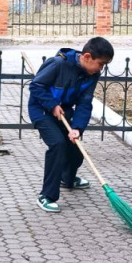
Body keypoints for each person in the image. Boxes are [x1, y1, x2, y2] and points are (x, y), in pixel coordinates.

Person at [27, 37, 114, 213]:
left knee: (76, 146)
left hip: (64, 111)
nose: (101, 69)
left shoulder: (92, 75)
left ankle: (68, 178)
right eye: (101, 63)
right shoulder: (58, 64)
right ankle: (47, 195)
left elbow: (84, 103)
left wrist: (77, 128)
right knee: (58, 144)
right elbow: (36, 86)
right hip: (41, 110)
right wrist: (51, 105)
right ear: (87, 57)